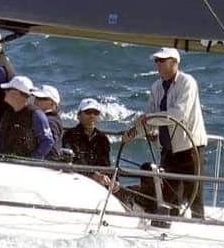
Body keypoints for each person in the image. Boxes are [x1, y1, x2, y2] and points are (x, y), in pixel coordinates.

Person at [131, 47, 207, 216]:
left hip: (190, 149)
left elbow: (178, 114)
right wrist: (132, 133)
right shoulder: (156, 86)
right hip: (169, 151)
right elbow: (150, 118)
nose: (158, 64)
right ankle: (167, 232)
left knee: (194, 196)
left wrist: (149, 119)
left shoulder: (187, 82)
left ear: (174, 62)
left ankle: (198, 226)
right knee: (169, 198)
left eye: (162, 61)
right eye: (156, 61)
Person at [0, 75, 55, 159]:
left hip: (24, 165)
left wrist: (32, 159)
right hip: (6, 161)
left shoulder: (36, 115)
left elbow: (47, 141)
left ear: (16, 94)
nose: (5, 92)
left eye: (8, 90)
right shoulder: (8, 113)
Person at [62, 98, 113, 171]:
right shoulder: (69, 135)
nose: (92, 116)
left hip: (99, 178)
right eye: (88, 112)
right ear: (78, 115)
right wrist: (93, 175)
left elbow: (106, 164)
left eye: (95, 113)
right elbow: (74, 162)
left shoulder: (102, 138)